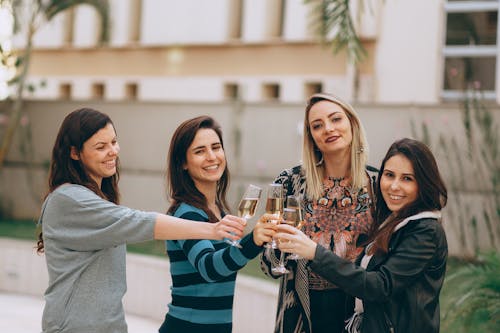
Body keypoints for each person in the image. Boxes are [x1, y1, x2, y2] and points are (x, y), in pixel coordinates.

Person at [35, 108, 246, 333]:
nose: (113, 151)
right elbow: (137, 221)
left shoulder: (97, 199)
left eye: (114, 142)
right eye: (101, 146)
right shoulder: (69, 199)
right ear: (75, 153)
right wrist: (213, 230)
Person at [276, 138, 448, 333]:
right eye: (389, 175)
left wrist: (315, 252)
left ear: (424, 183)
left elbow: (379, 285)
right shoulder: (393, 221)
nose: (394, 186)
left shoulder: (426, 231)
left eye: (407, 178)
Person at [259, 93, 377, 333]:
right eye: (317, 125)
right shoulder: (290, 182)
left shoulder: (378, 183)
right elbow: (268, 263)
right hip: (300, 315)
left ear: (352, 123)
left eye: (336, 119)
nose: (328, 129)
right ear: (311, 137)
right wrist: (273, 246)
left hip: (359, 314)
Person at [158, 115, 275, 333]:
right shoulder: (185, 214)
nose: (212, 157)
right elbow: (209, 268)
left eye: (216, 147)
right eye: (199, 151)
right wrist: (253, 241)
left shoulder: (220, 212)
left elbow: (229, 263)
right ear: (183, 162)